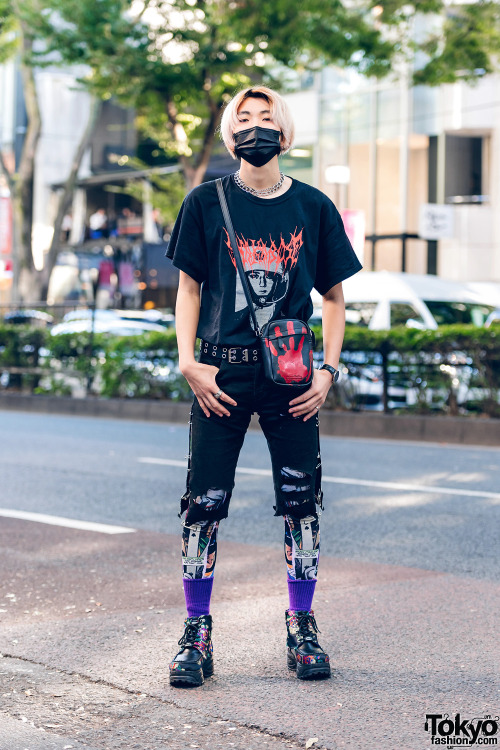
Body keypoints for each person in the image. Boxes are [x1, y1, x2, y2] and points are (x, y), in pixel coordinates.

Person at [166, 85, 362, 687]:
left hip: (293, 377)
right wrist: (187, 362)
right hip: (219, 374)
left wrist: (330, 369)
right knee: (202, 505)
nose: (255, 127)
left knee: (303, 506)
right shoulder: (205, 202)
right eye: (243, 119)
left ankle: (302, 627)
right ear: (230, 136)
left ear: (286, 131)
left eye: (266, 117)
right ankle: (195, 634)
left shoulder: (313, 207)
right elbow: (190, 290)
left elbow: (333, 298)